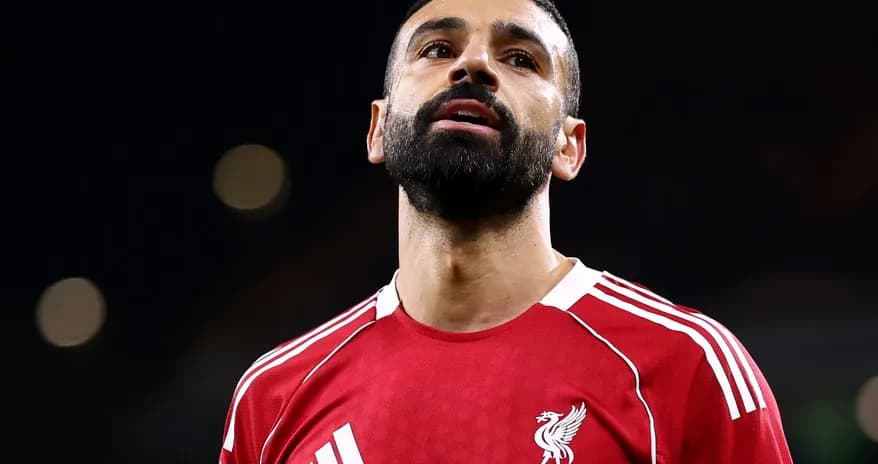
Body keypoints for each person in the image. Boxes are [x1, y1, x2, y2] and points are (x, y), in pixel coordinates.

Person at [217, 0, 794, 462]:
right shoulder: (273, 399)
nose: (473, 66)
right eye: (438, 49)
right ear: (378, 129)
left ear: (570, 146)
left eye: (520, 58)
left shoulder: (688, 366)